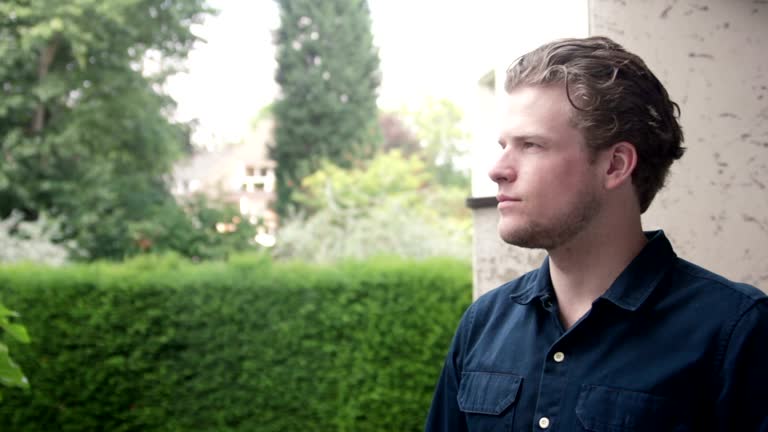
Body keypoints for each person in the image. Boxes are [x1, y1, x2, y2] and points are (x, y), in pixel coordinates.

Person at [425, 36, 768, 431]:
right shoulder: (483, 324)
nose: (498, 169)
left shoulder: (734, 333)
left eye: (531, 145)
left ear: (615, 165)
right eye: (504, 145)